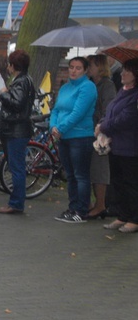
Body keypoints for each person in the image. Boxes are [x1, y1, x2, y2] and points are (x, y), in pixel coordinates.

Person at [51, 57, 97, 224]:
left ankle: (82, 210)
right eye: (71, 67)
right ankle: (72, 208)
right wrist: (53, 127)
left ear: (85, 70)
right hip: (64, 137)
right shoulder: (64, 88)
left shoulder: (88, 87)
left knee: (80, 175)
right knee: (70, 175)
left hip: (80, 137)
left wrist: (61, 129)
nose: (74, 71)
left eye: (78, 68)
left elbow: (78, 113)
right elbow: (56, 110)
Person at [98, 58, 138, 233]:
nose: (122, 74)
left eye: (127, 71)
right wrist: (101, 123)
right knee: (118, 182)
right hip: (115, 146)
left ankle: (135, 218)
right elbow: (110, 111)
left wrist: (103, 126)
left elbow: (126, 119)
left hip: (130, 147)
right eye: (122, 70)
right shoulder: (122, 91)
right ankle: (123, 215)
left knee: (131, 183)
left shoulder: (135, 97)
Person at [0, 49, 36, 214]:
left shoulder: (20, 82)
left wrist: (4, 94)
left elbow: (17, 103)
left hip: (15, 130)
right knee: (16, 166)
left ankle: (16, 203)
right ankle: (16, 201)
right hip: (18, 129)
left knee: (16, 167)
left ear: (13, 66)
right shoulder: (25, 80)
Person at [85, 54, 117, 219]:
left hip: (100, 133)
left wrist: (101, 123)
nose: (89, 68)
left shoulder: (107, 86)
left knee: (100, 169)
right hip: (89, 130)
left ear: (100, 67)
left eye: (91, 65)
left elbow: (109, 109)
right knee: (92, 169)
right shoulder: (90, 84)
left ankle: (100, 204)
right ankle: (93, 204)